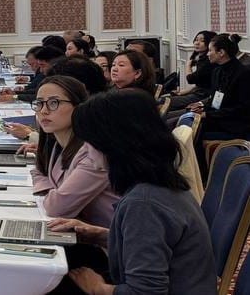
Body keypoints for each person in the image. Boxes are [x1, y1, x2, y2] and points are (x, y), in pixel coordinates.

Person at [49, 90, 216, 295]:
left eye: (89, 142)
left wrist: (97, 288)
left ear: (112, 144)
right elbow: (156, 245)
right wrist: (103, 236)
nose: (85, 150)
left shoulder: (144, 203)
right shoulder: (161, 184)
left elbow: (145, 292)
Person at [31, 76, 118, 228]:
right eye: (39, 103)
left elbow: (57, 208)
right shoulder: (57, 144)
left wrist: (54, 195)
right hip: (78, 228)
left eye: (53, 103)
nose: (44, 111)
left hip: (107, 237)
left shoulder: (94, 154)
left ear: (78, 106)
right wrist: (54, 192)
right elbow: (37, 171)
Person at [189, 33, 250, 141]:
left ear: (221, 52)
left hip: (233, 126)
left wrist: (207, 114)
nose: (208, 54)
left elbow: (241, 109)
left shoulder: (243, 73)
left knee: (192, 133)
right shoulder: (217, 71)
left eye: (210, 50)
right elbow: (214, 99)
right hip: (217, 119)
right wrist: (202, 108)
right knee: (182, 122)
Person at [170, 30, 217, 111]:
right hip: (198, 93)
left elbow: (191, 79)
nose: (197, 43)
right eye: (196, 39)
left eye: (202, 41)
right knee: (165, 99)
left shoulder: (208, 62)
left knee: (164, 101)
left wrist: (188, 65)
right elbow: (201, 84)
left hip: (202, 96)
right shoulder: (201, 59)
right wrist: (185, 91)